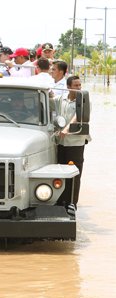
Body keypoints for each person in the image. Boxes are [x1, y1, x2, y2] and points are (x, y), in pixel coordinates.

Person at [55, 75, 91, 208]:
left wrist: (66, 128)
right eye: (76, 85)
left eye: (79, 85)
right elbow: (49, 105)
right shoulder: (60, 99)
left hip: (75, 142)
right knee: (59, 172)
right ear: (68, 87)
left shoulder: (84, 100)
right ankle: (59, 201)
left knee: (74, 175)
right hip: (61, 142)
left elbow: (78, 115)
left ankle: (72, 203)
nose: (79, 88)